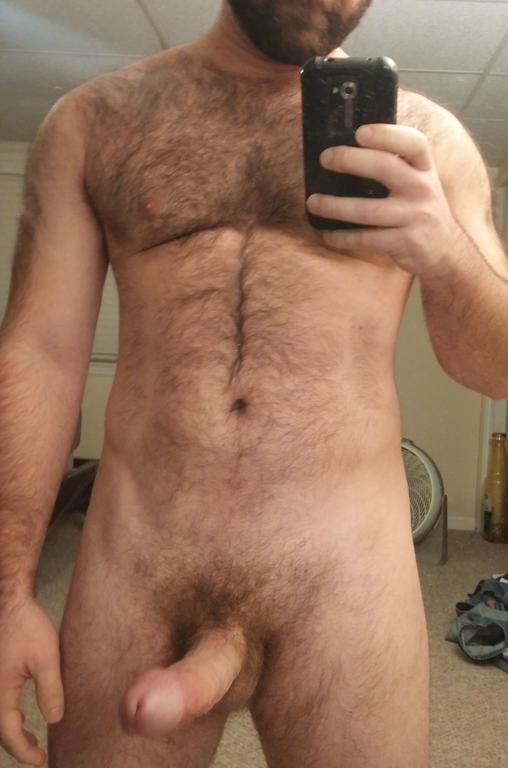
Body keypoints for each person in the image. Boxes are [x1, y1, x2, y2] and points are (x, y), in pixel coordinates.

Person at [1, 1, 507, 767]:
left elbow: (492, 369)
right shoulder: (95, 122)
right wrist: (8, 594)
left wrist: (441, 246)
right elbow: (40, 351)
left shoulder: (429, 141)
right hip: (138, 562)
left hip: (344, 576)